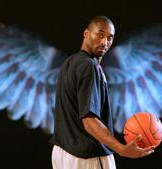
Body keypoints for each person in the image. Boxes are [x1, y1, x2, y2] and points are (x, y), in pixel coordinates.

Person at [50, 16, 154, 169]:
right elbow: (89, 120)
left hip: (62, 153)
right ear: (86, 33)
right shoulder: (89, 66)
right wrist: (121, 149)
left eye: (109, 38)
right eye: (100, 35)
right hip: (86, 157)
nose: (105, 42)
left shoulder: (69, 63)